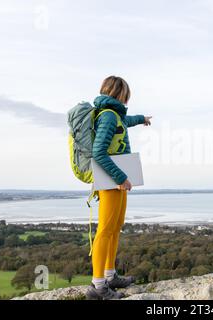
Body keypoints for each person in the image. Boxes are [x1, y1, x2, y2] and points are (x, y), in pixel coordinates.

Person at [86, 76, 152, 300]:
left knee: (115, 227)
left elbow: (126, 120)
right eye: (126, 96)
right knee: (105, 230)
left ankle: (110, 275)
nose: (127, 101)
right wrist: (120, 177)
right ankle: (97, 287)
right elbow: (99, 152)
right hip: (111, 182)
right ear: (119, 93)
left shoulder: (116, 116)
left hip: (117, 182)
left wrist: (142, 119)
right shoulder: (107, 116)